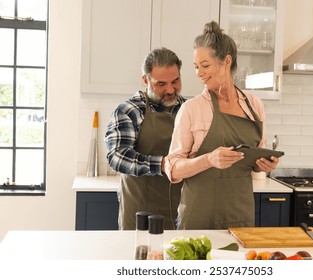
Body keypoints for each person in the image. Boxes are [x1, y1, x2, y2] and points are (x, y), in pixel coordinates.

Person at [164, 21, 279, 230]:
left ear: (227, 61)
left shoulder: (254, 105)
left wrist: (264, 164)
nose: (199, 73)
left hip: (240, 215)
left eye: (205, 65)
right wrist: (209, 159)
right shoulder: (192, 108)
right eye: (196, 67)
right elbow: (173, 169)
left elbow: (255, 158)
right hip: (198, 217)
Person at [105, 47, 186, 230]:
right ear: (145, 80)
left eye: (175, 81)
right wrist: (163, 164)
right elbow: (117, 156)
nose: (170, 89)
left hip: (181, 211)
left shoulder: (189, 109)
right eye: (161, 84)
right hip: (140, 212)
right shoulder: (129, 110)